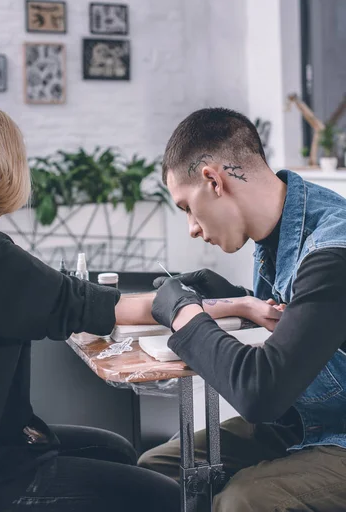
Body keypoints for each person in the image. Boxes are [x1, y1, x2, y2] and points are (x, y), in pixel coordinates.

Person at [0, 101, 180, 512]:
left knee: (114, 449)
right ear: (7, 169)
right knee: (168, 498)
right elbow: (110, 308)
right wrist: (221, 304)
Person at [138, 107, 346, 511]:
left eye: (185, 208)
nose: (192, 229)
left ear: (213, 180)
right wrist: (234, 295)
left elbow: (261, 393)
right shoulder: (282, 228)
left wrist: (185, 314)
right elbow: (307, 325)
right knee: (158, 468)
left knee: (245, 500)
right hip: (308, 420)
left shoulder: (332, 251)